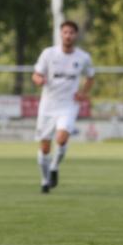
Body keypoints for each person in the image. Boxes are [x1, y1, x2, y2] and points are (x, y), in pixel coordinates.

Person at [31, 20, 94, 193]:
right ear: (61, 34)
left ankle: (54, 167)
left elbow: (90, 77)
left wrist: (83, 93)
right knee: (44, 146)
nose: (68, 36)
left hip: (68, 105)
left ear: (76, 35)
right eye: (65, 32)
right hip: (48, 105)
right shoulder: (48, 54)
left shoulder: (83, 57)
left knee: (61, 138)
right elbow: (36, 75)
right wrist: (39, 80)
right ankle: (44, 180)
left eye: (71, 33)